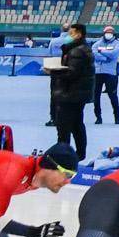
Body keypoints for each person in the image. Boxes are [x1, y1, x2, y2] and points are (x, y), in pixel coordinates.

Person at [46, 27, 95, 163]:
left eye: (71, 33)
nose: (68, 36)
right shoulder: (82, 48)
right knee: (77, 124)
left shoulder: (77, 51)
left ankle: (62, 155)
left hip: (71, 93)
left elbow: (72, 73)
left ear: (79, 34)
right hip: (78, 93)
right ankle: (79, 154)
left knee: (64, 126)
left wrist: (53, 72)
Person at [91, 29, 119, 125]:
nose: (108, 35)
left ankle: (117, 116)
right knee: (96, 96)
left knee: (112, 95)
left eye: (110, 33)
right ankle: (98, 117)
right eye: (106, 33)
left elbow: (114, 54)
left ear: (113, 34)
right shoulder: (97, 43)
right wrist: (105, 57)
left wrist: (101, 51)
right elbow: (94, 54)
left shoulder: (117, 44)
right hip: (97, 72)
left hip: (110, 72)